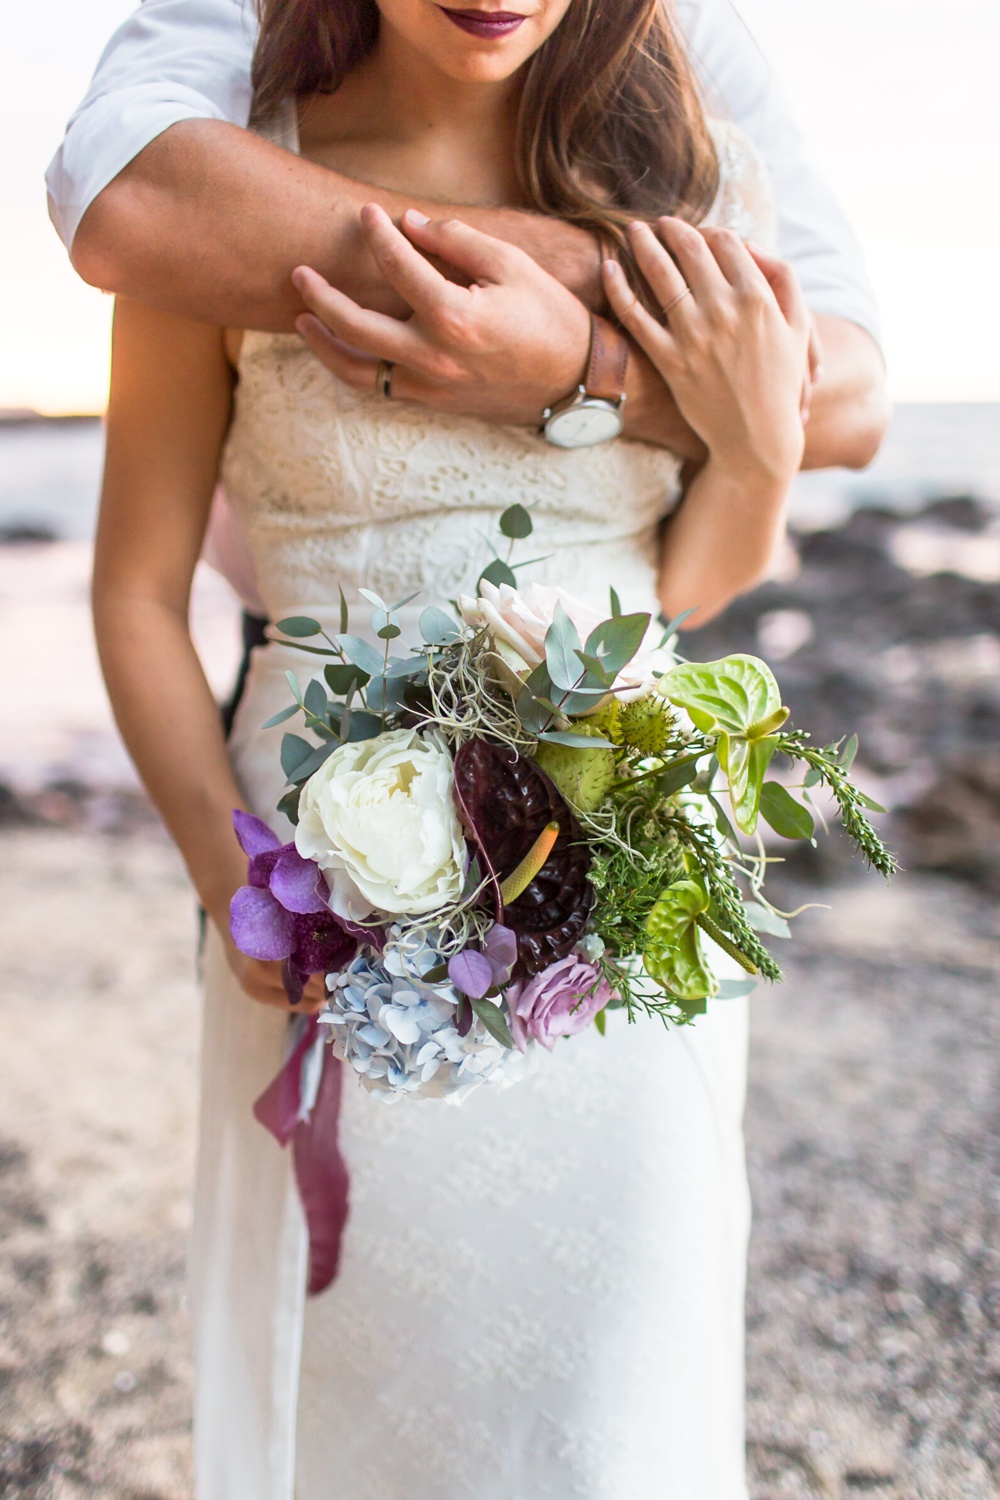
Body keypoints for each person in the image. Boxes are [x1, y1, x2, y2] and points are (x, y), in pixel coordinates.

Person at [76, 3, 886, 1498]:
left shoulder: (670, 202)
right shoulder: (235, 196)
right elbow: (133, 591)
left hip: (630, 917)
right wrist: (228, 869)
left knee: (607, 1405)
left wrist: (757, 438)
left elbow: (691, 586)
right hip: (322, 908)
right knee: (365, 1387)